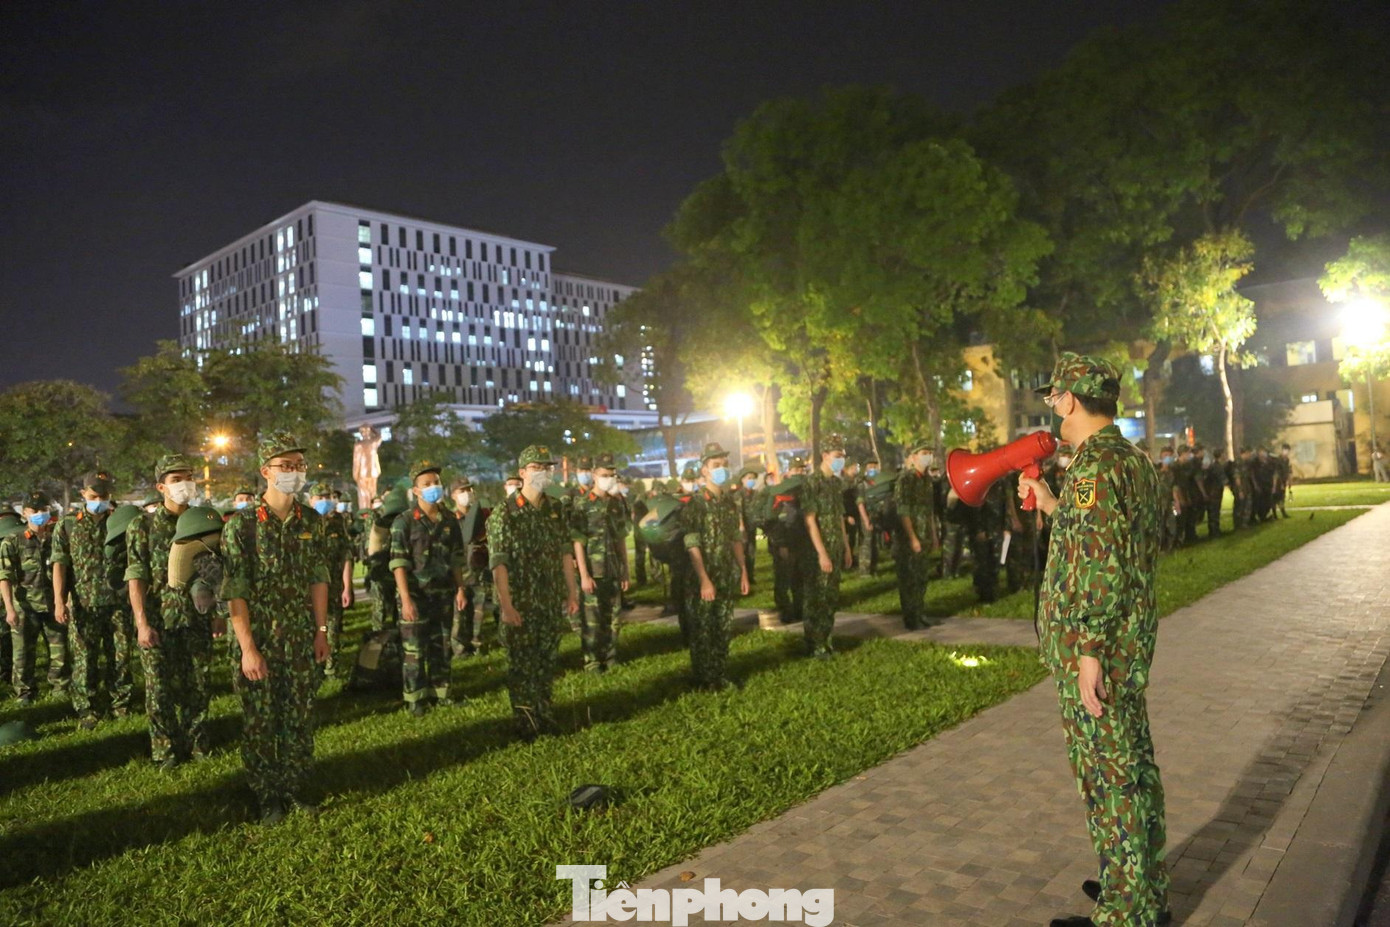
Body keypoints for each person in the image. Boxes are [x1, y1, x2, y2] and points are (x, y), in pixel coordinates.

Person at [1017, 353, 1168, 927]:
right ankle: (1136, 889)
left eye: (1053, 396)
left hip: (1101, 648)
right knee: (1132, 770)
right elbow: (1097, 539)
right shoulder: (1126, 461)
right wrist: (1050, 502)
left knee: (1110, 779)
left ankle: (1125, 914)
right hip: (1124, 640)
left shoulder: (1094, 468)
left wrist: (1088, 650)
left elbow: (1098, 563)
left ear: (1071, 399)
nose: (1052, 407)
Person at [221, 432, 331, 823]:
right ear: (266, 471)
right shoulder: (243, 526)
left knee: (299, 716)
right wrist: (248, 647)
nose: (296, 473)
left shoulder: (312, 521)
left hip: (301, 637)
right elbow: (236, 592)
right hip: (262, 640)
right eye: (287, 466)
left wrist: (321, 632)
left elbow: (319, 579)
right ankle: (268, 794)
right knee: (261, 720)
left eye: (300, 466)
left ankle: (296, 785)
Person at [487, 445, 581, 737]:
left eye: (547, 468)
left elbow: (566, 552)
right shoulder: (505, 513)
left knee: (546, 658)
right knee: (522, 663)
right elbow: (499, 563)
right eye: (537, 468)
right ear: (523, 473)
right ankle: (526, 721)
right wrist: (506, 604)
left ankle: (544, 713)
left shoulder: (555, 509)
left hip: (549, 598)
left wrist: (572, 591)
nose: (544, 473)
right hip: (521, 600)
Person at [125, 455, 209, 768]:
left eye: (189, 477)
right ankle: (165, 752)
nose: (185, 483)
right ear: (161, 486)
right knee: (159, 691)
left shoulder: (202, 521)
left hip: (194, 618)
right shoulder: (143, 526)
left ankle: (197, 745)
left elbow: (213, 572)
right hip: (158, 620)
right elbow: (136, 576)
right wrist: (141, 623)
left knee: (197, 687)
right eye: (176, 479)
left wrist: (215, 613)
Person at [52, 470, 135, 728]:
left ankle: (120, 703)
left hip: (118, 601)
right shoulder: (68, 523)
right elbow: (60, 564)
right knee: (85, 658)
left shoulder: (119, 522)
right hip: (83, 603)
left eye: (105, 495)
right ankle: (87, 709)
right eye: (94, 495)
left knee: (120, 656)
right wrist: (59, 600)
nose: (99, 499)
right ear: (83, 494)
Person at [390, 460, 467, 715]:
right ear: (415, 490)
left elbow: (456, 557)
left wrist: (460, 588)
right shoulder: (404, 522)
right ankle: (414, 699)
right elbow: (398, 563)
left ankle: (442, 693)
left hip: (443, 593)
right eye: (427, 484)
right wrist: (406, 600)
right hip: (415, 595)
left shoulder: (449, 520)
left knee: (442, 645)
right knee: (414, 650)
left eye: (436, 482)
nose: (434, 487)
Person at [680, 442, 750, 689]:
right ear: (704, 470)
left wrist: (742, 570)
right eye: (715, 465)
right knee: (703, 631)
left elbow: (735, 540)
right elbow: (692, 544)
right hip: (703, 578)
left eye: (724, 464)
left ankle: (719, 674)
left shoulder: (729, 503)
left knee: (722, 627)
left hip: (725, 574)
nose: (721, 469)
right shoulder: (695, 504)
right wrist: (703, 578)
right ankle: (703, 679)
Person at [1, 491, 69, 706]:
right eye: (35, 511)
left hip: (52, 606)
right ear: (25, 513)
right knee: (22, 655)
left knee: (60, 651)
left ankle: (60, 689)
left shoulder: (56, 540)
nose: (40, 514)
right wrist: (10, 608)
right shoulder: (13, 541)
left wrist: (64, 603)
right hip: (25, 607)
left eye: (43, 510)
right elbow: (5, 577)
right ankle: (25, 694)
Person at [572, 452, 630, 673]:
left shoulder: (616, 504)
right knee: (592, 620)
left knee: (613, 618)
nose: (609, 479)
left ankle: (611, 657)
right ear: (595, 475)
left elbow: (621, 539)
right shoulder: (582, 504)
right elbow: (578, 541)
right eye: (605, 474)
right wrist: (584, 574)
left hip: (613, 569)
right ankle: (592, 660)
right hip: (592, 571)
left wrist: (625, 570)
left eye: (612, 475)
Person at [800, 435, 853, 657]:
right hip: (818, 550)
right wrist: (822, 554)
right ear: (825, 456)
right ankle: (815, 644)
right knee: (817, 598)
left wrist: (846, 546)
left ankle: (826, 640)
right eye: (837, 456)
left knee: (831, 596)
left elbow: (840, 517)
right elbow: (810, 520)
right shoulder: (812, 482)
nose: (841, 460)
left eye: (843, 456)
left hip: (835, 546)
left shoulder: (835, 483)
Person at [309, 482, 354, 678]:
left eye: (327, 497)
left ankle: (331, 667)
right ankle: (313, 666)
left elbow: (346, 556)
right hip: (310, 589)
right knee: (313, 627)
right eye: (320, 497)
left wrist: (347, 587)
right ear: (310, 501)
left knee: (332, 627)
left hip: (334, 586)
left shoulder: (338, 523)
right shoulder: (304, 524)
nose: (324, 501)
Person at [894, 441, 937, 628]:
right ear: (913, 457)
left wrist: (934, 535)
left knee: (921, 578)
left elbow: (929, 511)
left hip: (925, 535)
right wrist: (913, 538)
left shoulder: (927, 480)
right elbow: (903, 512)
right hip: (909, 539)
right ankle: (911, 619)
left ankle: (919, 613)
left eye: (929, 453)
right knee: (909, 580)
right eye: (924, 453)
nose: (927, 456)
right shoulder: (906, 479)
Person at [450, 477, 494, 657]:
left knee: (479, 612)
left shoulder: (482, 517)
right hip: (459, 573)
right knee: (458, 614)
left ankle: (477, 645)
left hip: (478, 571)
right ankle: (459, 648)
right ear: (453, 495)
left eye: (469, 489)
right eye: (462, 491)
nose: (467, 494)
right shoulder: (450, 519)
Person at [855, 458, 882, 577]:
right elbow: (860, 504)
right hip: (867, 516)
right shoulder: (862, 485)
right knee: (866, 543)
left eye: (875, 466)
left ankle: (874, 568)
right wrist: (866, 520)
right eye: (871, 466)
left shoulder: (878, 483)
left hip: (877, 516)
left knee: (875, 543)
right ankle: (864, 570)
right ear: (866, 469)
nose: (873, 469)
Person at [1200, 449, 1226, 537]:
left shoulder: (1213, 466)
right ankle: (1214, 531)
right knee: (1214, 512)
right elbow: (1223, 479)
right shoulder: (1217, 467)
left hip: (1213, 492)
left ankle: (1214, 530)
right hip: (1214, 492)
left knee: (1213, 512)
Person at [1272, 444, 1293, 518]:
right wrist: (1278, 484)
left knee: (1282, 497)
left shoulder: (1286, 460)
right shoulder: (1278, 460)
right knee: (1276, 498)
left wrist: (1289, 480)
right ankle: (1274, 514)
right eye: (1285, 450)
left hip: (1283, 481)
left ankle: (1283, 512)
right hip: (1278, 481)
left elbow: (1288, 470)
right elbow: (1276, 473)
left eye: (1287, 451)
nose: (1286, 452)